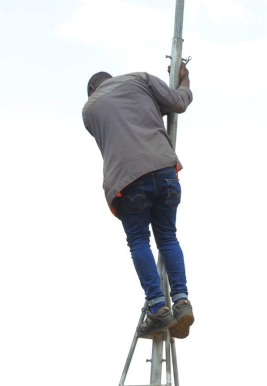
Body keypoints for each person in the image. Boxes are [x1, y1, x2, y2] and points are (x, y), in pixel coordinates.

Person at [82, 66, 195, 339]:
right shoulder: (140, 79)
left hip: (128, 181)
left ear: (91, 91)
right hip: (164, 169)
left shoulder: (89, 110)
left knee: (138, 241)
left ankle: (158, 308)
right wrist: (184, 78)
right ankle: (181, 301)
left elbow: (124, 124)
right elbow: (176, 104)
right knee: (168, 237)